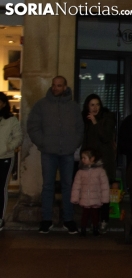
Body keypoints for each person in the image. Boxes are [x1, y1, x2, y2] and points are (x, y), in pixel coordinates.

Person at [27, 76, 84, 234]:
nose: (55, 88)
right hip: (48, 152)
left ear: (65, 87)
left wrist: (74, 144)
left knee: (67, 186)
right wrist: (43, 143)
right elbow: (33, 126)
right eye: (54, 85)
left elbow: (80, 128)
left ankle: (68, 219)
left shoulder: (73, 107)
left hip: (67, 152)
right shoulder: (42, 105)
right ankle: (46, 219)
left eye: (59, 86)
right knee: (48, 186)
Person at [81, 94, 116, 234]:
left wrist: (95, 122)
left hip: (104, 161)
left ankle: (104, 220)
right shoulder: (84, 119)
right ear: (87, 106)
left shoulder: (106, 118)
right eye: (92, 105)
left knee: (104, 192)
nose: (95, 108)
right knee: (90, 193)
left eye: (97, 104)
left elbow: (106, 137)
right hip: (89, 161)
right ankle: (91, 221)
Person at [70, 147, 109, 236]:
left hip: (96, 198)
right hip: (85, 198)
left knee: (95, 215)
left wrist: (105, 198)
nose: (82, 160)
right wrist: (75, 198)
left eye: (84, 158)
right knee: (85, 215)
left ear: (92, 159)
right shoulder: (80, 172)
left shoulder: (100, 171)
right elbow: (76, 186)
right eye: (82, 158)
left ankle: (95, 229)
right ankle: (83, 229)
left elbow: (105, 186)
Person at [0, 92, 21, 231]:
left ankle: (0, 218)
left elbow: (18, 137)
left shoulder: (11, 120)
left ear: (3, 103)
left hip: (5, 158)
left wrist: (8, 148)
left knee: (1, 188)